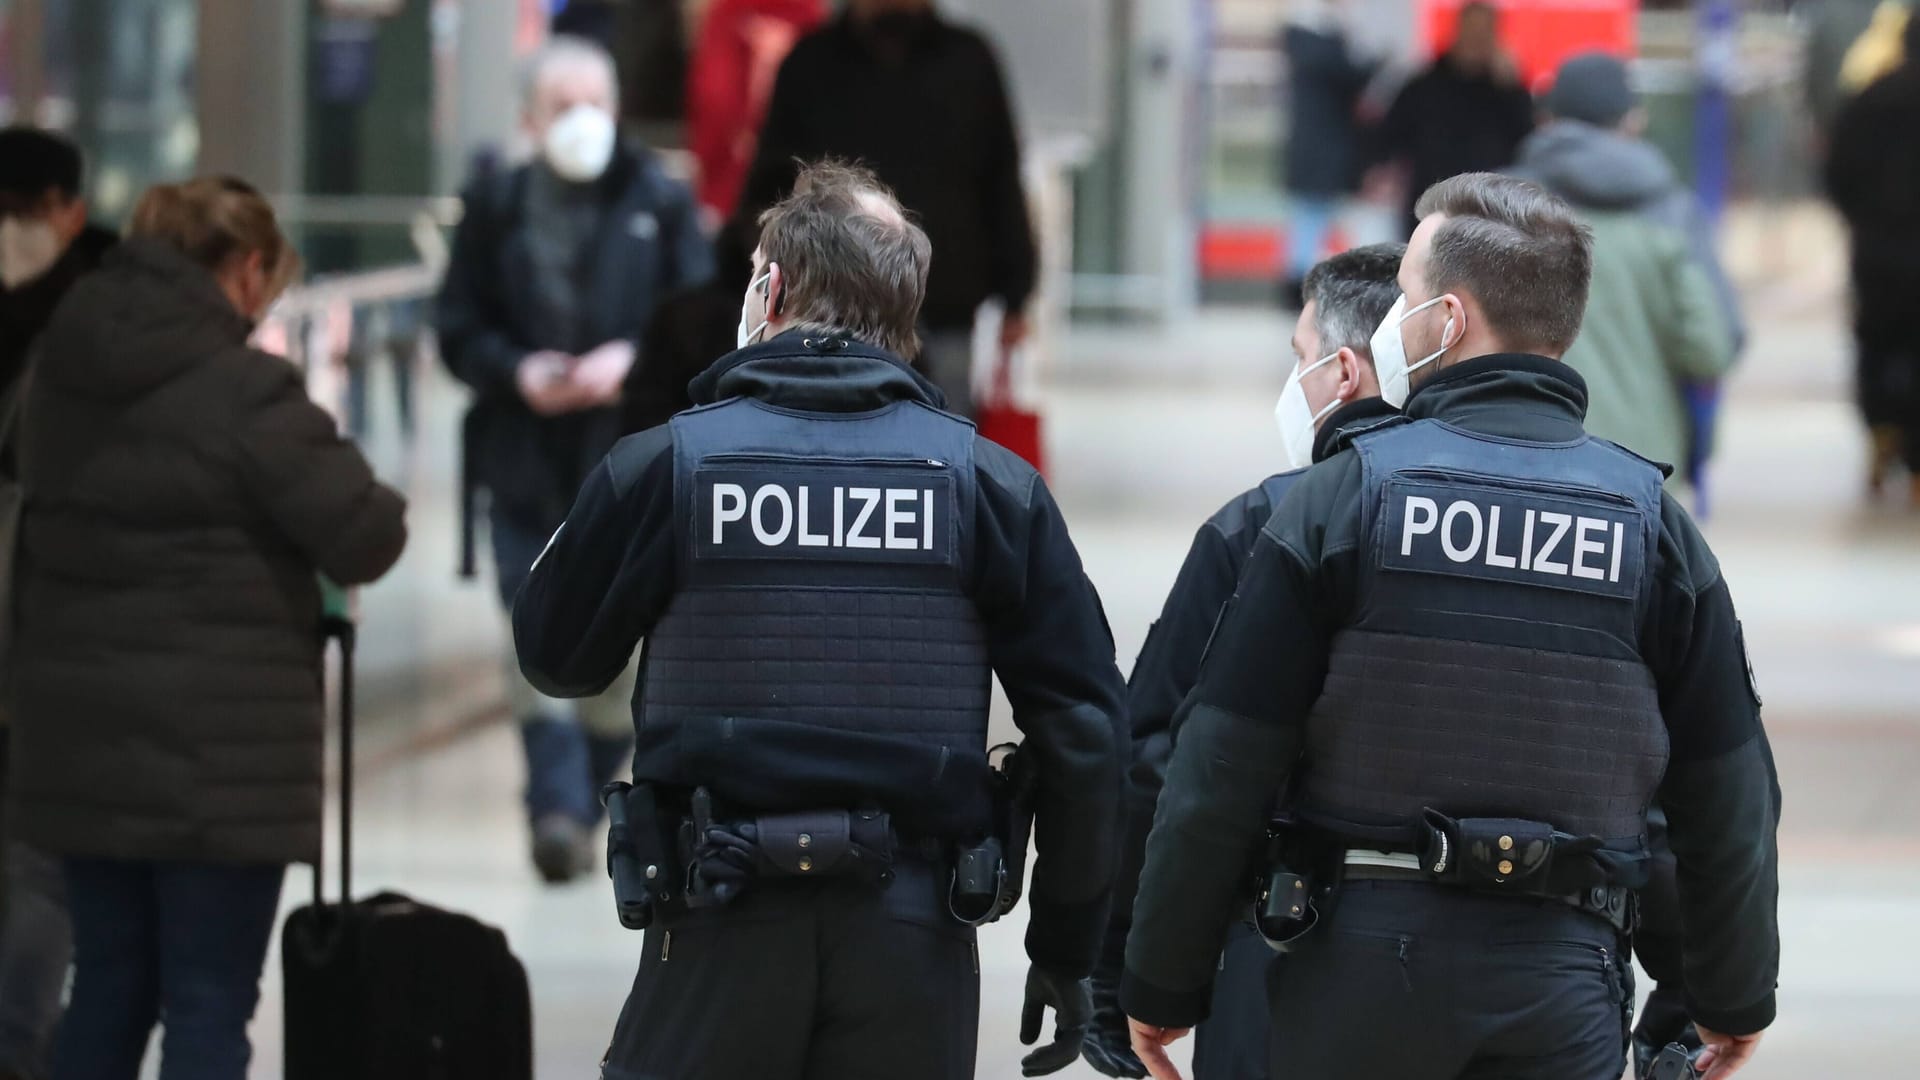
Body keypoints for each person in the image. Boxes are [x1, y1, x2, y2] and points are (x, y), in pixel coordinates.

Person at [1123, 174, 1780, 1080]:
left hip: (1350, 967)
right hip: (1561, 981)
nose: (1391, 319)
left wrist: (1160, 981)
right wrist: (1730, 992)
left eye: (1402, 300)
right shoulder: (1652, 526)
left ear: (1448, 319)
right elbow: (1727, 793)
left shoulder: (1340, 500)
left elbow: (1220, 764)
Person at [513, 160, 1126, 1080]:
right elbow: (1085, 736)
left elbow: (555, 656)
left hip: (714, 916)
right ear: (905, 314)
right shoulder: (989, 488)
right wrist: (1068, 947)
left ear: (774, 288)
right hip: (912, 934)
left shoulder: (667, 467)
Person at [7, 176, 407, 1080]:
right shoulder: (245, 393)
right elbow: (368, 532)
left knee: (106, 988)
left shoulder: (56, 371)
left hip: (77, 746)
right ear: (245, 268)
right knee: (207, 1004)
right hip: (217, 765)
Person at [1081, 244, 1404, 1080]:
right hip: (1527, 971)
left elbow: (1160, 766)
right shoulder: (1586, 521)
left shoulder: (1261, 525)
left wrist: (1131, 972)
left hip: (1285, 949)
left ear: (1341, 375)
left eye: (1298, 358)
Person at [435, 34, 714, 883]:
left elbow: (700, 320)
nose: (583, 122)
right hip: (523, 458)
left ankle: (586, 794)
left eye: (597, 102)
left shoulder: (661, 204)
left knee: (617, 651)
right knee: (533, 626)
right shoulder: (495, 205)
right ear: (530, 118)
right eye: (564, 107)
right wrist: (517, 371)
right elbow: (457, 326)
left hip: (627, 460)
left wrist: (632, 362)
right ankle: (554, 810)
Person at [739, 0, 1038, 418]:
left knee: (944, 437)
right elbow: (771, 183)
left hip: (946, 299)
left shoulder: (969, 60)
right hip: (830, 303)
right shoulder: (810, 63)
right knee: (834, 432)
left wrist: (1016, 294)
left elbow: (1001, 176)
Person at [0, 125, 119, 1080]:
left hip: (67, 633)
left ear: (69, 214)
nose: (11, 232)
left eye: (25, 213)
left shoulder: (110, 319)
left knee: (41, 863)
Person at [1515, 52, 1739, 492]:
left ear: (1548, 118)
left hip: (1526, 456)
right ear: (1633, 121)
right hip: (1643, 467)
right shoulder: (1673, 213)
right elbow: (1711, 348)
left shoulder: (1500, 206)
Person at [1826, 12, 1920, 503]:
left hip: (1878, 252)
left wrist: (1862, 218)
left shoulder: (1869, 100)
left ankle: (1881, 435)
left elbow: (1837, 172)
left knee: (1877, 344)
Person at [1373, 2, 1534, 235]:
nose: (1476, 39)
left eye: (1483, 31)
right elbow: (1391, 132)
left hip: (1489, 205)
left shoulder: (1507, 88)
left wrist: (1513, 87)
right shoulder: (1425, 84)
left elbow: (1527, 138)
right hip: (1430, 199)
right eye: (1471, 29)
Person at [686, 0, 827, 221]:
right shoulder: (727, 13)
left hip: (798, 194)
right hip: (730, 186)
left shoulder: (808, 16)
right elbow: (714, 104)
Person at [1279, 2, 1377, 305]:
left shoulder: (1306, 47)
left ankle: (1302, 285)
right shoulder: (1323, 49)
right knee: (1313, 220)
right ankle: (1303, 288)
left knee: (1311, 221)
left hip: (1319, 154)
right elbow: (1350, 75)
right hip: (1324, 154)